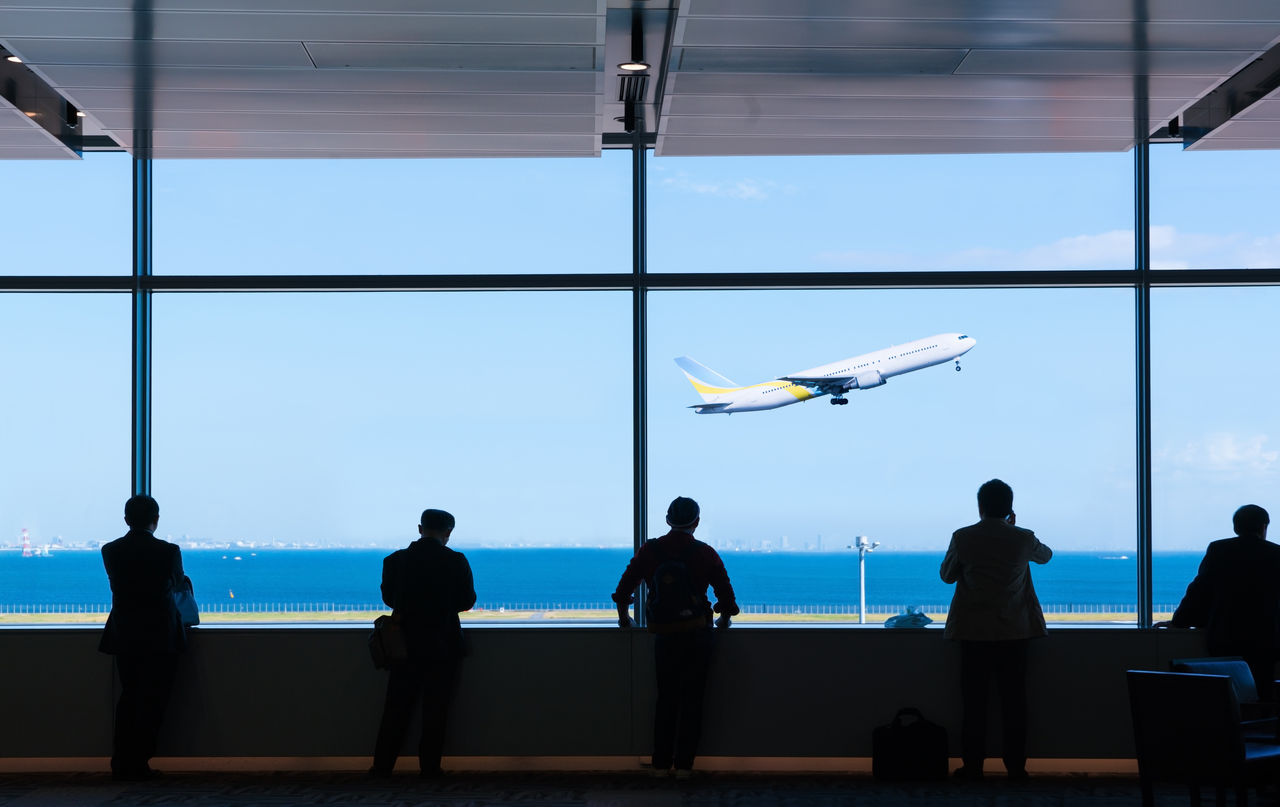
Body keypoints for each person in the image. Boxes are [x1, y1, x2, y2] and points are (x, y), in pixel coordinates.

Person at [613, 496, 739, 777]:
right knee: (693, 700)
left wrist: (624, 617)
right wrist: (724, 619)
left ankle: (660, 764)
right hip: (698, 634)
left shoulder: (651, 551)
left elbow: (624, 589)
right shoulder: (705, 553)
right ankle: (684, 766)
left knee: (667, 699)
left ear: (668, 520)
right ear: (696, 522)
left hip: (665, 636)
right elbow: (726, 597)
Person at [940, 479, 1052, 781]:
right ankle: (1016, 767)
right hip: (1015, 633)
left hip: (973, 632)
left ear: (980, 506)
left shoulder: (962, 537)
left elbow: (947, 576)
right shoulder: (1023, 537)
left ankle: (973, 766)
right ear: (1009, 508)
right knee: (1014, 704)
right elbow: (1046, 556)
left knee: (974, 704)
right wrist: (1015, 528)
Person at [371, 508, 476, 778]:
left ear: (420, 529)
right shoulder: (456, 561)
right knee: (436, 710)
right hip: (444, 643)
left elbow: (390, 599)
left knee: (395, 709)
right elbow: (466, 601)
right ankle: (430, 769)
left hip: (403, 643)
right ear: (448, 533)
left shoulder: (394, 561)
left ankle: (382, 769)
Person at [99, 494, 188, 781]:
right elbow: (177, 583)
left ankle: (122, 761)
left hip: (125, 634)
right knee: (154, 700)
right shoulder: (169, 551)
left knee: (129, 698)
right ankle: (141, 761)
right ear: (156, 519)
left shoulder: (110, 550)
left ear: (126, 519)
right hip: (161, 635)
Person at [1165, 504, 1280, 699]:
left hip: (1225, 638)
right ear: (1264, 527)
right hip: (1266, 640)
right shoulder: (1276, 554)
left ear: (1236, 528)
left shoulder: (1219, 549)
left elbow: (1199, 591)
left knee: (1224, 697)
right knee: (1263, 694)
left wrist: (1179, 622)